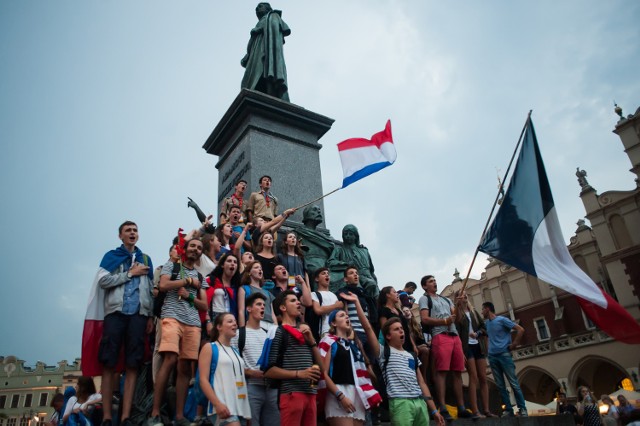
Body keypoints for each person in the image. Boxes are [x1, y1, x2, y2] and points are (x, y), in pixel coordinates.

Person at [94, 221, 154, 426]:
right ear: (120, 235)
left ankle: (126, 416)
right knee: (109, 363)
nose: (132, 233)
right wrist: (130, 274)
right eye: (128, 230)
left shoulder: (146, 259)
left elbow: (150, 288)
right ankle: (107, 417)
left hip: (138, 315)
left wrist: (150, 316)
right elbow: (102, 281)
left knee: (132, 365)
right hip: (116, 313)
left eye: (135, 230)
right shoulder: (112, 256)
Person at [148, 238, 208, 426]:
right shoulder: (171, 266)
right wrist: (186, 281)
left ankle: (179, 416)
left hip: (193, 322)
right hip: (171, 317)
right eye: (192, 246)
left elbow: (204, 305)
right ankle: (155, 412)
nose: (195, 249)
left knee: (184, 368)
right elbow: (164, 285)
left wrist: (189, 295)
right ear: (185, 248)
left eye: (199, 248)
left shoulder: (201, 276)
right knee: (170, 359)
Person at [319, 293, 382, 425]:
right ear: (333, 323)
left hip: (357, 391)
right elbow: (323, 373)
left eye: (347, 315)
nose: (346, 317)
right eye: (342, 315)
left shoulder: (354, 345)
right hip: (338, 391)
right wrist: (340, 396)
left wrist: (370, 393)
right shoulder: (328, 341)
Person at [264, 290, 323, 426]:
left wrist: (312, 342)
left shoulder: (306, 332)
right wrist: (299, 373)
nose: (298, 303)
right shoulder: (278, 331)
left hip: (311, 394)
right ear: (283, 308)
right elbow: (268, 370)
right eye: (292, 301)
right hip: (291, 393)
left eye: (297, 300)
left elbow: (323, 368)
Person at [419, 275, 470, 420]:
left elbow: (456, 318)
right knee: (441, 372)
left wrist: (460, 306)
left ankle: (461, 407)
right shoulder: (424, 299)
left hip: (454, 336)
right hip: (440, 335)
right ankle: (442, 406)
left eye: (434, 280)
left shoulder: (446, 299)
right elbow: (424, 319)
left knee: (458, 372)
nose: (434, 282)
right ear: (424, 286)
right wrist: (444, 320)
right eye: (430, 281)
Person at [378, 317, 445, 426]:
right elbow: (368, 329)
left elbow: (422, 383)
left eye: (401, 328)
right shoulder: (383, 353)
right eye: (396, 329)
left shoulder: (412, 355)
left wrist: (434, 410)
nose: (401, 330)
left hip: (420, 402)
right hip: (400, 403)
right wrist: (356, 302)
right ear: (388, 336)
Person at [232, 292, 279, 426]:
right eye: (259, 304)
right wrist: (250, 372)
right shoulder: (238, 334)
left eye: (264, 305)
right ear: (249, 309)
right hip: (250, 387)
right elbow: (232, 364)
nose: (263, 307)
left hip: (271, 388)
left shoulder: (268, 334)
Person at [198, 313, 251, 426]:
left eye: (235, 321)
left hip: (241, 408)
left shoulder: (235, 351)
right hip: (223, 406)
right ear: (219, 327)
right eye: (230, 321)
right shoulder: (210, 347)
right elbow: (203, 380)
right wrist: (217, 404)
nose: (235, 324)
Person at [453, 290, 495, 418]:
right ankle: (475, 411)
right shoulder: (457, 314)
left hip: (478, 346)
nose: (465, 295)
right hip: (467, 348)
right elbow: (457, 334)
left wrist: (477, 334)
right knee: (473, 377)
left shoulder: (474, 312)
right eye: (461, 294)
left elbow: (484, 328)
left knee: (483, 377)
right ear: (457, 299)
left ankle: (487, 410)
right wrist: (460, 351)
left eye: (466, 294)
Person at [481, 301, 527, 417]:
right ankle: (508, 410)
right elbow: (483, 335)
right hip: (493, 357)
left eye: (482, 310)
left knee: (513, 383)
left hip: (504, 355)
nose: (482, 312)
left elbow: (520, 329)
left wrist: (514, 344)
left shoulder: (502, 320)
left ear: (487, 309)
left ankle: (522, 409)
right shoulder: (486, 324)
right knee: (500, 386)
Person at [240, 3, 291, 101]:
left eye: (260, 6)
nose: (257, 9)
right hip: (256, 52)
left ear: (268, 9)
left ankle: (271, 92)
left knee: (267, 70)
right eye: (256, 8)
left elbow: (275, 33)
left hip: (267, 50)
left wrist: (259, 29)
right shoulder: (264, 21)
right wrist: (248, 54)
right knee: (249, 80)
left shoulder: (273, 16)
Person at [335, 266, 376, 364]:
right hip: (356, 333)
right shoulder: (344, 293)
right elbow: (345, 313)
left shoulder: (364, 294)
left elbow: (368, 316)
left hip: (368, 334)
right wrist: (350, 332)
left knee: (374, 363)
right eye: (351, 273)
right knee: (361, 362)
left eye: (356, 273)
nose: (355, 275)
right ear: (345, 279)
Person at [327, 225, 378, 297]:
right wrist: (345, 264)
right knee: (370, 285)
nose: (347, 236)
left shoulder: (364, 250)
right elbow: (331, 262)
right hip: (353, 276)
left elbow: (371, 270)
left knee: (375, 290)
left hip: (368, 276)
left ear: (356, 236)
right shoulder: (339, 249)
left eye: (350, 234)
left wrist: (375, 280)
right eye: (345, 234)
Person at [295, 205, 335, 285]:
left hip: (327, 263)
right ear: (306, 215)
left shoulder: (326, 238)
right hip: (310, 263)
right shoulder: (298, 232)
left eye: (319, 210)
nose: (319, 212)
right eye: (314, 210)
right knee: (318, 270)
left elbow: (334, 251)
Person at [237, 261, 278, 327]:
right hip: (254, 323)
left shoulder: (267, 292)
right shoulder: (244, 288)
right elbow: (241, 311)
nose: (260, 269)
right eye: (256, 267)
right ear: (249, 272)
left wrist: (276, 328)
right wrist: (242, 329)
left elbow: (272, 314)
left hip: (270, 325)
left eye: (261, 268)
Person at [206, 253, 241, 323]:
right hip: (214, 319)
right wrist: (208, 321)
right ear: (222, 265)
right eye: (229, 261)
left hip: (230, 322)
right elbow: (204, 302)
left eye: (235, 262)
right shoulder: (211, 280)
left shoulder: (238, 287)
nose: (232, 263)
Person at [378, 286, 415, 353]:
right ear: (388, 295)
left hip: (408, 344)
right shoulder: (383, 310)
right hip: (396, 348)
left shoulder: (399, 310)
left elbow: (406, 329)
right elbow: (384, 330)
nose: (397, 294)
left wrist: (414, 345)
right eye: (394, 292)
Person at [311, 268, 342, 338]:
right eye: (323, 273)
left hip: (338, 330)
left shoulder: (334, 295)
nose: (327, 275)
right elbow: (318, 310)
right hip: (326, 330)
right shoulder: (314, 294)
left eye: (328, 274)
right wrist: (335, 306)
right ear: (317, 279)